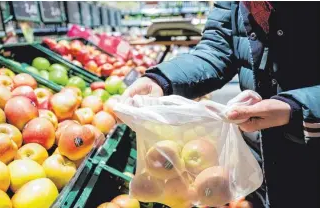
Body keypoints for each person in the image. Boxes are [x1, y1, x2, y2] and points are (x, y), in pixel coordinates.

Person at [123, 2, 320, 208]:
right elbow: (216, 51)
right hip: (263, 164)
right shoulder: (237, 3)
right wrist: (162, 80)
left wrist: (296, 109)